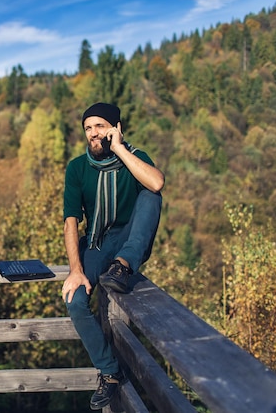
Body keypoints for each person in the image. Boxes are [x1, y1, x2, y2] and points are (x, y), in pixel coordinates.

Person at [61, 102, 164, 410]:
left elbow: (157, 181)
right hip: (95, 243)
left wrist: (119, 149)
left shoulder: (134, 157)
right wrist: (76, 269)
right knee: (74, 299)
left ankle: (123, 265)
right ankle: (110, 371)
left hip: (130, 240)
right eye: (88, 128)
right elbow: (70, 221)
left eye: (100, 126)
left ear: (116, 127)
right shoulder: (77, 168)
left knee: (150, 193)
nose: (94, 133)